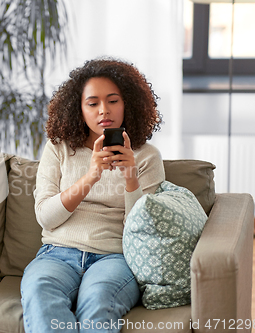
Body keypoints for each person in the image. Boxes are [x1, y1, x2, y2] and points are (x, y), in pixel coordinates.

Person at [20, 58, 165, 333]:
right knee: (39, 292)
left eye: (113, 101)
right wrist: (91, 176)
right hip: (56, 255)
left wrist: (131, 178)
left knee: (98, 301)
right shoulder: (58, 149)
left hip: (114, 257)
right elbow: (46, 218)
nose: (103, 111)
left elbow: (143, 231)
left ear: (128, 104)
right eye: (93, 103)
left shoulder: (146, 157)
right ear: (79, 108)